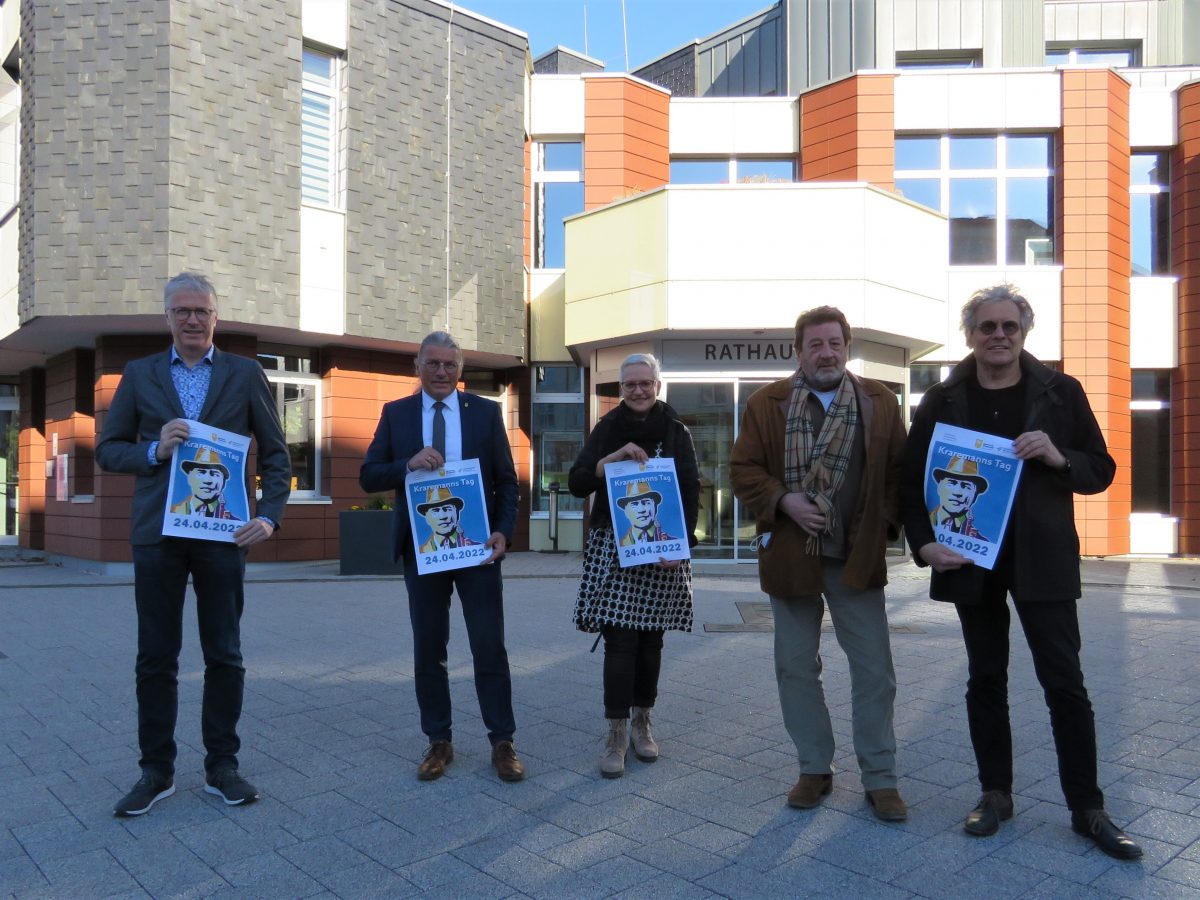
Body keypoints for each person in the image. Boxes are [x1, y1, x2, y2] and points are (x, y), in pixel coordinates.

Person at [901, 284, 1142, 860]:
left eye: (1009, 326)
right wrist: (925, 545)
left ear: (1024, 332)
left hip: (1043, 559)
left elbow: (1101, 469)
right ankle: (995, 794)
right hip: (971, 560)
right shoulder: (942, 399)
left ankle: (1087, 808)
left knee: (1065, 684)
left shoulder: (1061, 391)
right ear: (970, 335)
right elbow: (909, 480)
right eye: (987, 326)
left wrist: (1058, 456)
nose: (999, 336)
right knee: (986, 680)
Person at [96, 271, 290, 816]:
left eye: (201, 310)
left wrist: (269, 517)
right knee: (156, 657)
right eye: (181, 310)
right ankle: (155, 772)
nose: (192, 319)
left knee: (224, 653)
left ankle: (221, 766)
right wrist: (153, 450)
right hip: (157, 535)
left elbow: (277, 454)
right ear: (167, 317)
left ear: (215, 317)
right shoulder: (140, 374)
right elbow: (108, 450)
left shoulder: (244, 373)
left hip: (222, 536)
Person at [730, 305, 908, 822]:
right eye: (815, 345)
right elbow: (743, 470)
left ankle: (880, 778)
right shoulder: (767, 403)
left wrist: (881, 527)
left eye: (834, 343)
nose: (826, 353)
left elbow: (899, 473)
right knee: (795, 668)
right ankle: (814, 768)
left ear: (846, 347)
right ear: (799, 351)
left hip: (856, 558)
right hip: (792, 557)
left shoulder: (880, 400)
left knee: (875, 671)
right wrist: (784, 500)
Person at [360, 331, 524, 783]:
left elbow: (507, 481)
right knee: (429, 648)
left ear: (460, 370)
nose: (441, 372)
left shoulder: (484, 413)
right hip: (423, 550)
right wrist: (407, 464)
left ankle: (502, 741)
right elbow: (369, 475)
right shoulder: (396, 413)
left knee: (489, 645)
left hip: (477, 549)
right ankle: (439, 740)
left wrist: (504, 531)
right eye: (432, 363)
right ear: (417, 366)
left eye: (450, 365)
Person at [568, 353, 699, 778]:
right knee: (620, 643)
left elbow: (691, 490)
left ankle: (643, 722)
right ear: (620, 388)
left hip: (662, 549)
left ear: (657, 386)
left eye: (645, 383)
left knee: (651, 643)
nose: (638, 391)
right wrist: (611, 460)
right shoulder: (607, 428)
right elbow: (577, 482)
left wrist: (683, 545)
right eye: (630, 384)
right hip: (616, 549)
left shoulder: (676, 429)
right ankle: (617, 732)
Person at [170, 447, 240, 519]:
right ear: (190, 478)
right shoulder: (171, 513)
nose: (207, 480)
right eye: (201, 472)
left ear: (223, 482)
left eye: (215, 474)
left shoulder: (234, 521)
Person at [929, 456, 989, 539]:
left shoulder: (980, 541)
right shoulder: (918, 520)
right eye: (951, 483)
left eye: (966, 486)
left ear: (975, 496)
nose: (957, 492)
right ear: (939, 488)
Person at [416, 486, 478, 552]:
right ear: (427, 518)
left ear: (457, 514)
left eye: (447, 509)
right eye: (435, 510)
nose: (442, 516)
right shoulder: (421, 553)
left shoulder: (476, 548)